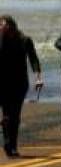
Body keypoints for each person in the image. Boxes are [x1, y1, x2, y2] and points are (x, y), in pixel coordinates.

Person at [0, 15, 43, 158]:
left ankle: (12, 145)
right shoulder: (1, 40)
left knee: (14, 115)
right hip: (3, 83)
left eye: (3, 25)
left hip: (19, 83)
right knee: (7, 114)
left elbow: (34, 60)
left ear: (11, 26)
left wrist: (38, 78)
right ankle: (7, 141)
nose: (1, 28)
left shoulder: (25, 40)